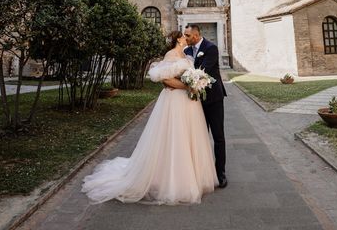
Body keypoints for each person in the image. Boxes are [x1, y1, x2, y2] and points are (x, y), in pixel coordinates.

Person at [81, 31, 218, 205]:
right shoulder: (170, 54)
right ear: (178, 39)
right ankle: (170, 180)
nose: (186, 37)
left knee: (189, 137)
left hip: (189, 103)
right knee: (174, 137)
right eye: (184, 36)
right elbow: (165, 80)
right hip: (174, 101)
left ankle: (192, 176)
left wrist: (196, 83)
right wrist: (188, 86)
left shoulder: (186, 54)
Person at [183, 24, 227, 188]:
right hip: (195, 101)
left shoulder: (211, 48)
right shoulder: (186, 51)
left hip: (213, 99)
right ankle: (201, 172)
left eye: (187, 35)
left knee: (218, 136)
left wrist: (185, 77)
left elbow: (203, 71)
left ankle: (220, 173)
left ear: (195, 35)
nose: (185, 38)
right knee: (199, 137)